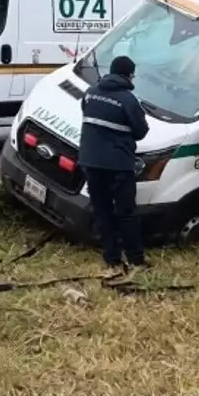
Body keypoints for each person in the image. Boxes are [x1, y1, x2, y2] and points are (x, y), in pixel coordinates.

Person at [79, 55, 151, 279]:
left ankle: (111, 258)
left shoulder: (90, 93)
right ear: (129, 75)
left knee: (102, 211)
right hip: (118, 165)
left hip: (90, 161)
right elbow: (141, 131)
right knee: (126, 212)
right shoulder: (129, 100)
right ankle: (135, 258)